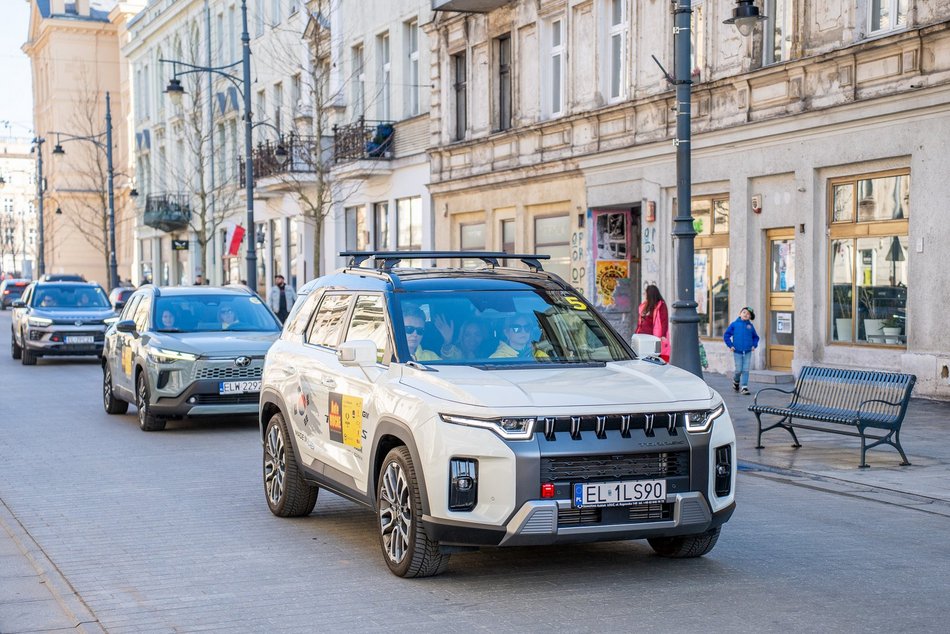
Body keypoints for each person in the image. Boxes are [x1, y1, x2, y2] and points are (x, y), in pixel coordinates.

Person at [723, 307, 759, 395]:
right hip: (737, 351)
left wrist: (754, 345)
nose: (746, 314)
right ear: (740, 314)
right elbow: (726, 335)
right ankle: (736, 381)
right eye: (744, 312)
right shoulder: (734, 325)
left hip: (748, 351)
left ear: (750, 317)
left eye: (748, 314)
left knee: (746, 369)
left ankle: (744, 387)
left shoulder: (750, 326)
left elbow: (755, 337)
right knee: (738, 370)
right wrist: (730, 345)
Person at [636, 285, 670, 362]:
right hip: (642, 336)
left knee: (654, 357)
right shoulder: (644, 305)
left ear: (650, 294)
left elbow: (664, 321)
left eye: (646, 293)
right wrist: (636, 333)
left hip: (653, 336)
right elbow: (640, 322)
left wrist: (663, 335)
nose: (645, 295)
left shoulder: (661, 305)